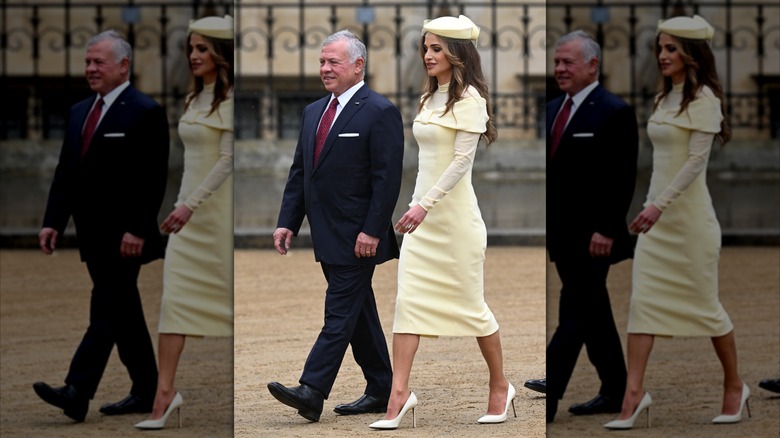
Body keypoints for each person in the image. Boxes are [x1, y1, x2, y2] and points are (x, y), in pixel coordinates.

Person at [368, 15, 513, 430]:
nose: (428, 56)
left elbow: (461, 162)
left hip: (454, 223)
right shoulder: (429, 98)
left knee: (473, 308)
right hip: (422, 220)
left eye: (436, 48)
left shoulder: (471, 100)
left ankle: (500, 386)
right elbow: (425, 163)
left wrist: (423, 205)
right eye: (426, 48)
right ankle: (399, 396)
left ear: (456, 52)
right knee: (407, 303)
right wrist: (416, 205)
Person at [605, 15, 746, 429]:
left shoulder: (705, 100)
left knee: (708, 308)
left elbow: (695, 162)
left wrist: (657, 206)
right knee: (642, 304)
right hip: (656, 222)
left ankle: (735, 386)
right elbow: (660, 164)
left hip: (690, 224)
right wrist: (651, 206)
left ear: (691, 53)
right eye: (660, 48)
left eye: (670, 49)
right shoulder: (663, 98)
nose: (662, 56)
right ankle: (633, 397)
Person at [267, 29, 404, 423]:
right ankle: (381, 387)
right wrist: (287, 222)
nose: (325, 68)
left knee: (339, 311)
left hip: (361, 236)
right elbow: (301, 173)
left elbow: (386, 178)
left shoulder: (380, 110)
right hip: (325, 234)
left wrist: (373, 230)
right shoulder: (313, 111)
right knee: (358, 312)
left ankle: (311, 390)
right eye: (322, 62)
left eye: (333, 62)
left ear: (358, 65)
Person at [33, 29, 169, 422]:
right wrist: (52, 223)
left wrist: (139, 229)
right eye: (88, 62)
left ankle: (77, 389)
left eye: (99, 62)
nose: (90, 68)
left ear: (123, 66)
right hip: (90, 235)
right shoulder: (78, 111)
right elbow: (66, 173)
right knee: (123, 310)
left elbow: (151, 179)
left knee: (107, 307)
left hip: (127, 236)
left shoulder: (145, 110)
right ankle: (146, 389)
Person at [134, 15, 234, 430]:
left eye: (201, 49)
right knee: (172, 303)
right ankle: (164, 395)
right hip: (186, 220)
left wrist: (190, 205)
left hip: (213, 219)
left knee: (233, 306)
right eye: (190, 48)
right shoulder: (195, 98)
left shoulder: (230, 101)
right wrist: (183, 207)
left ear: (220, 54)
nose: (193, 56)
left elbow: (228, 160)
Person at [543, 30, 639, 423]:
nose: (559, 69)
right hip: (560, 234)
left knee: (575, 310)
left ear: (593, 65)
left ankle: (549, 389)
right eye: (556, 62)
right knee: (593, 310)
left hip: (595, 236)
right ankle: (616, 390)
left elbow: (621, 177)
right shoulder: (550, 109)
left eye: (568, 62)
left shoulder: (614, 110)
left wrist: (608, 228)